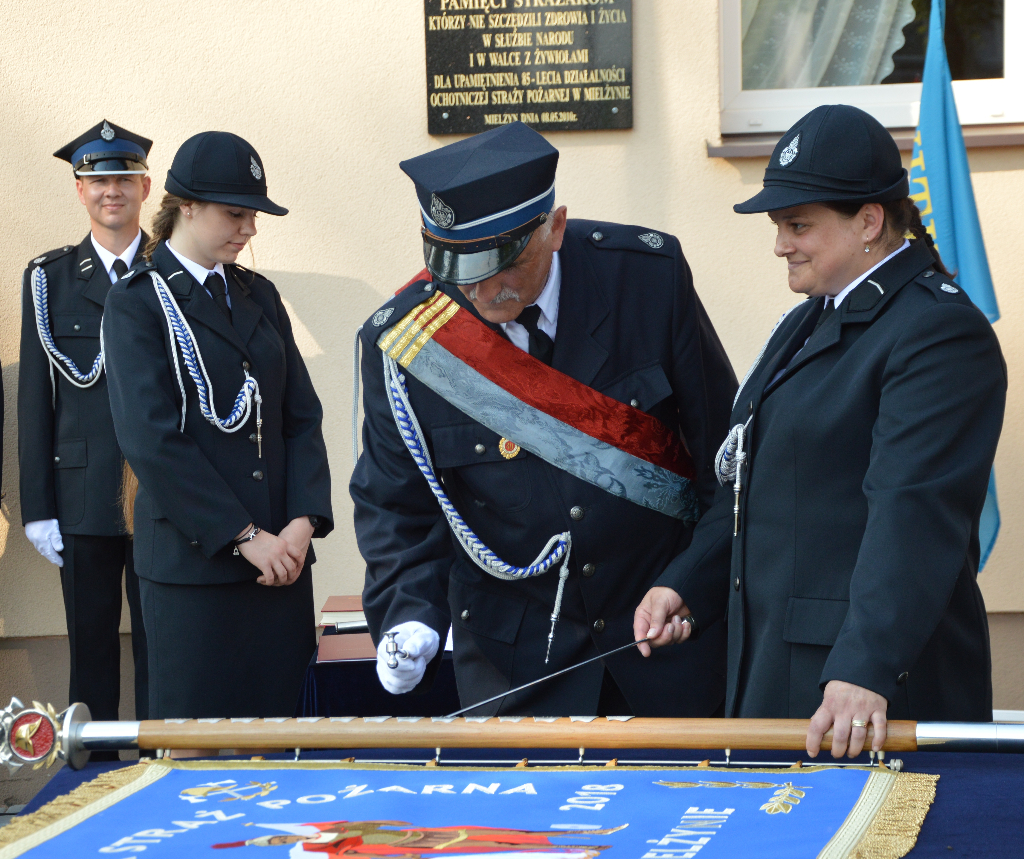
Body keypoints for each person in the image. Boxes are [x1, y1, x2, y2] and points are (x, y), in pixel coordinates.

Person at [634, 104, 1006, 758]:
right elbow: (751, 482)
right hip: (776, 668)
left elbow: (914, 513)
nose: (781, 244)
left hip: (866, 691)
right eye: (780, 226)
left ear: (869, 221)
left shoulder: (937, 332)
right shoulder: (809, 319)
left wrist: (867, 664)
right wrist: (686, 582)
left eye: (798, 225)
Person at [351, 122, 736, 716]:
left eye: (500, 262)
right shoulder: (411, 340)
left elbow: (727, 464)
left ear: (554, 227)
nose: (480, 290)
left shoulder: (647, 280)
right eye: (457, 267)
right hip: (516, 668)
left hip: (664, 647)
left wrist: (691, 583)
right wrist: (408, 615)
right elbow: (394, 504)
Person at [102, 131, 333, 718]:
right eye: (235, 213)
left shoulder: (259, 295)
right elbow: (151, 438)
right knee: (199, 749)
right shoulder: (137, 302)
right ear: (186, 206)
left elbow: (301, 415)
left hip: (280, 567)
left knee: (285, 740)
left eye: (253, 216)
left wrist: (302, 522)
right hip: (195, 572)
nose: (249, 228)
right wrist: (245, 536)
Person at [18, 120, 153, 736]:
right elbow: (34, 397)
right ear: (80, 190)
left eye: (123, 178)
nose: (111, 191)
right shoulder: (48, 278)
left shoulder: (170, 269)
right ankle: (92, 776)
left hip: (161, 496)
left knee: (162, 649)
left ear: (145, 187)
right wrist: (38, 508)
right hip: (80, 496)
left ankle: (164, 767)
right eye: (98, 181)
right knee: (91, 653)